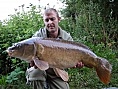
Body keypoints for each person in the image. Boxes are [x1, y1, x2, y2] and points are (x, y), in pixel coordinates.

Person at [28, 8, 84, 89]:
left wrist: (75, 63)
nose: (50, 22)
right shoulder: (37, 37)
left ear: (58, 19)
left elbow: (69, 62)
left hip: (57, 72)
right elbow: (30, 57)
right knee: (36, 73)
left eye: (52, 19)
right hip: (40, 70)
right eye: (47, 20)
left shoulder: (66, 38)